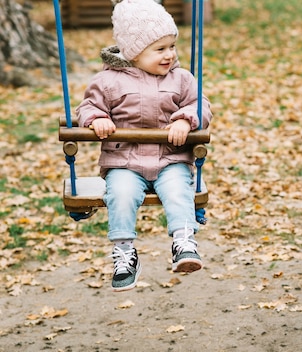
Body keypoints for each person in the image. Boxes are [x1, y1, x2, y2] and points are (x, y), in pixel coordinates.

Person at [76, 0, 213, 292]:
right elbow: (86, 107)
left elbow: (201, 105)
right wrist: (97, 119)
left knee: (179, 191)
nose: (169, 55)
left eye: (172, 46)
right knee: (121, 195)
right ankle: (125, 253)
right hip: (125, 162)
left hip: (170, 160)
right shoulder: (108, 82)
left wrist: (185, 120)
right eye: (159, 49)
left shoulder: (182, 79)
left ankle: (184, 242)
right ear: (133, 53)